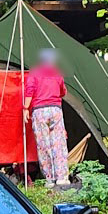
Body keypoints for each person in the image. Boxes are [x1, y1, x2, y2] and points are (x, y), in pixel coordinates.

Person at [22, 49, 71, 187]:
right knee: (58, 143)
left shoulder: (34, 73)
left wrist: (25, 108)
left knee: (43, 145)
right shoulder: (58, 74)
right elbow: (63, 92)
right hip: (55, 110)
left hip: (39, 111)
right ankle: (62, 177)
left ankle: (50, 178)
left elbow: (29, 90)